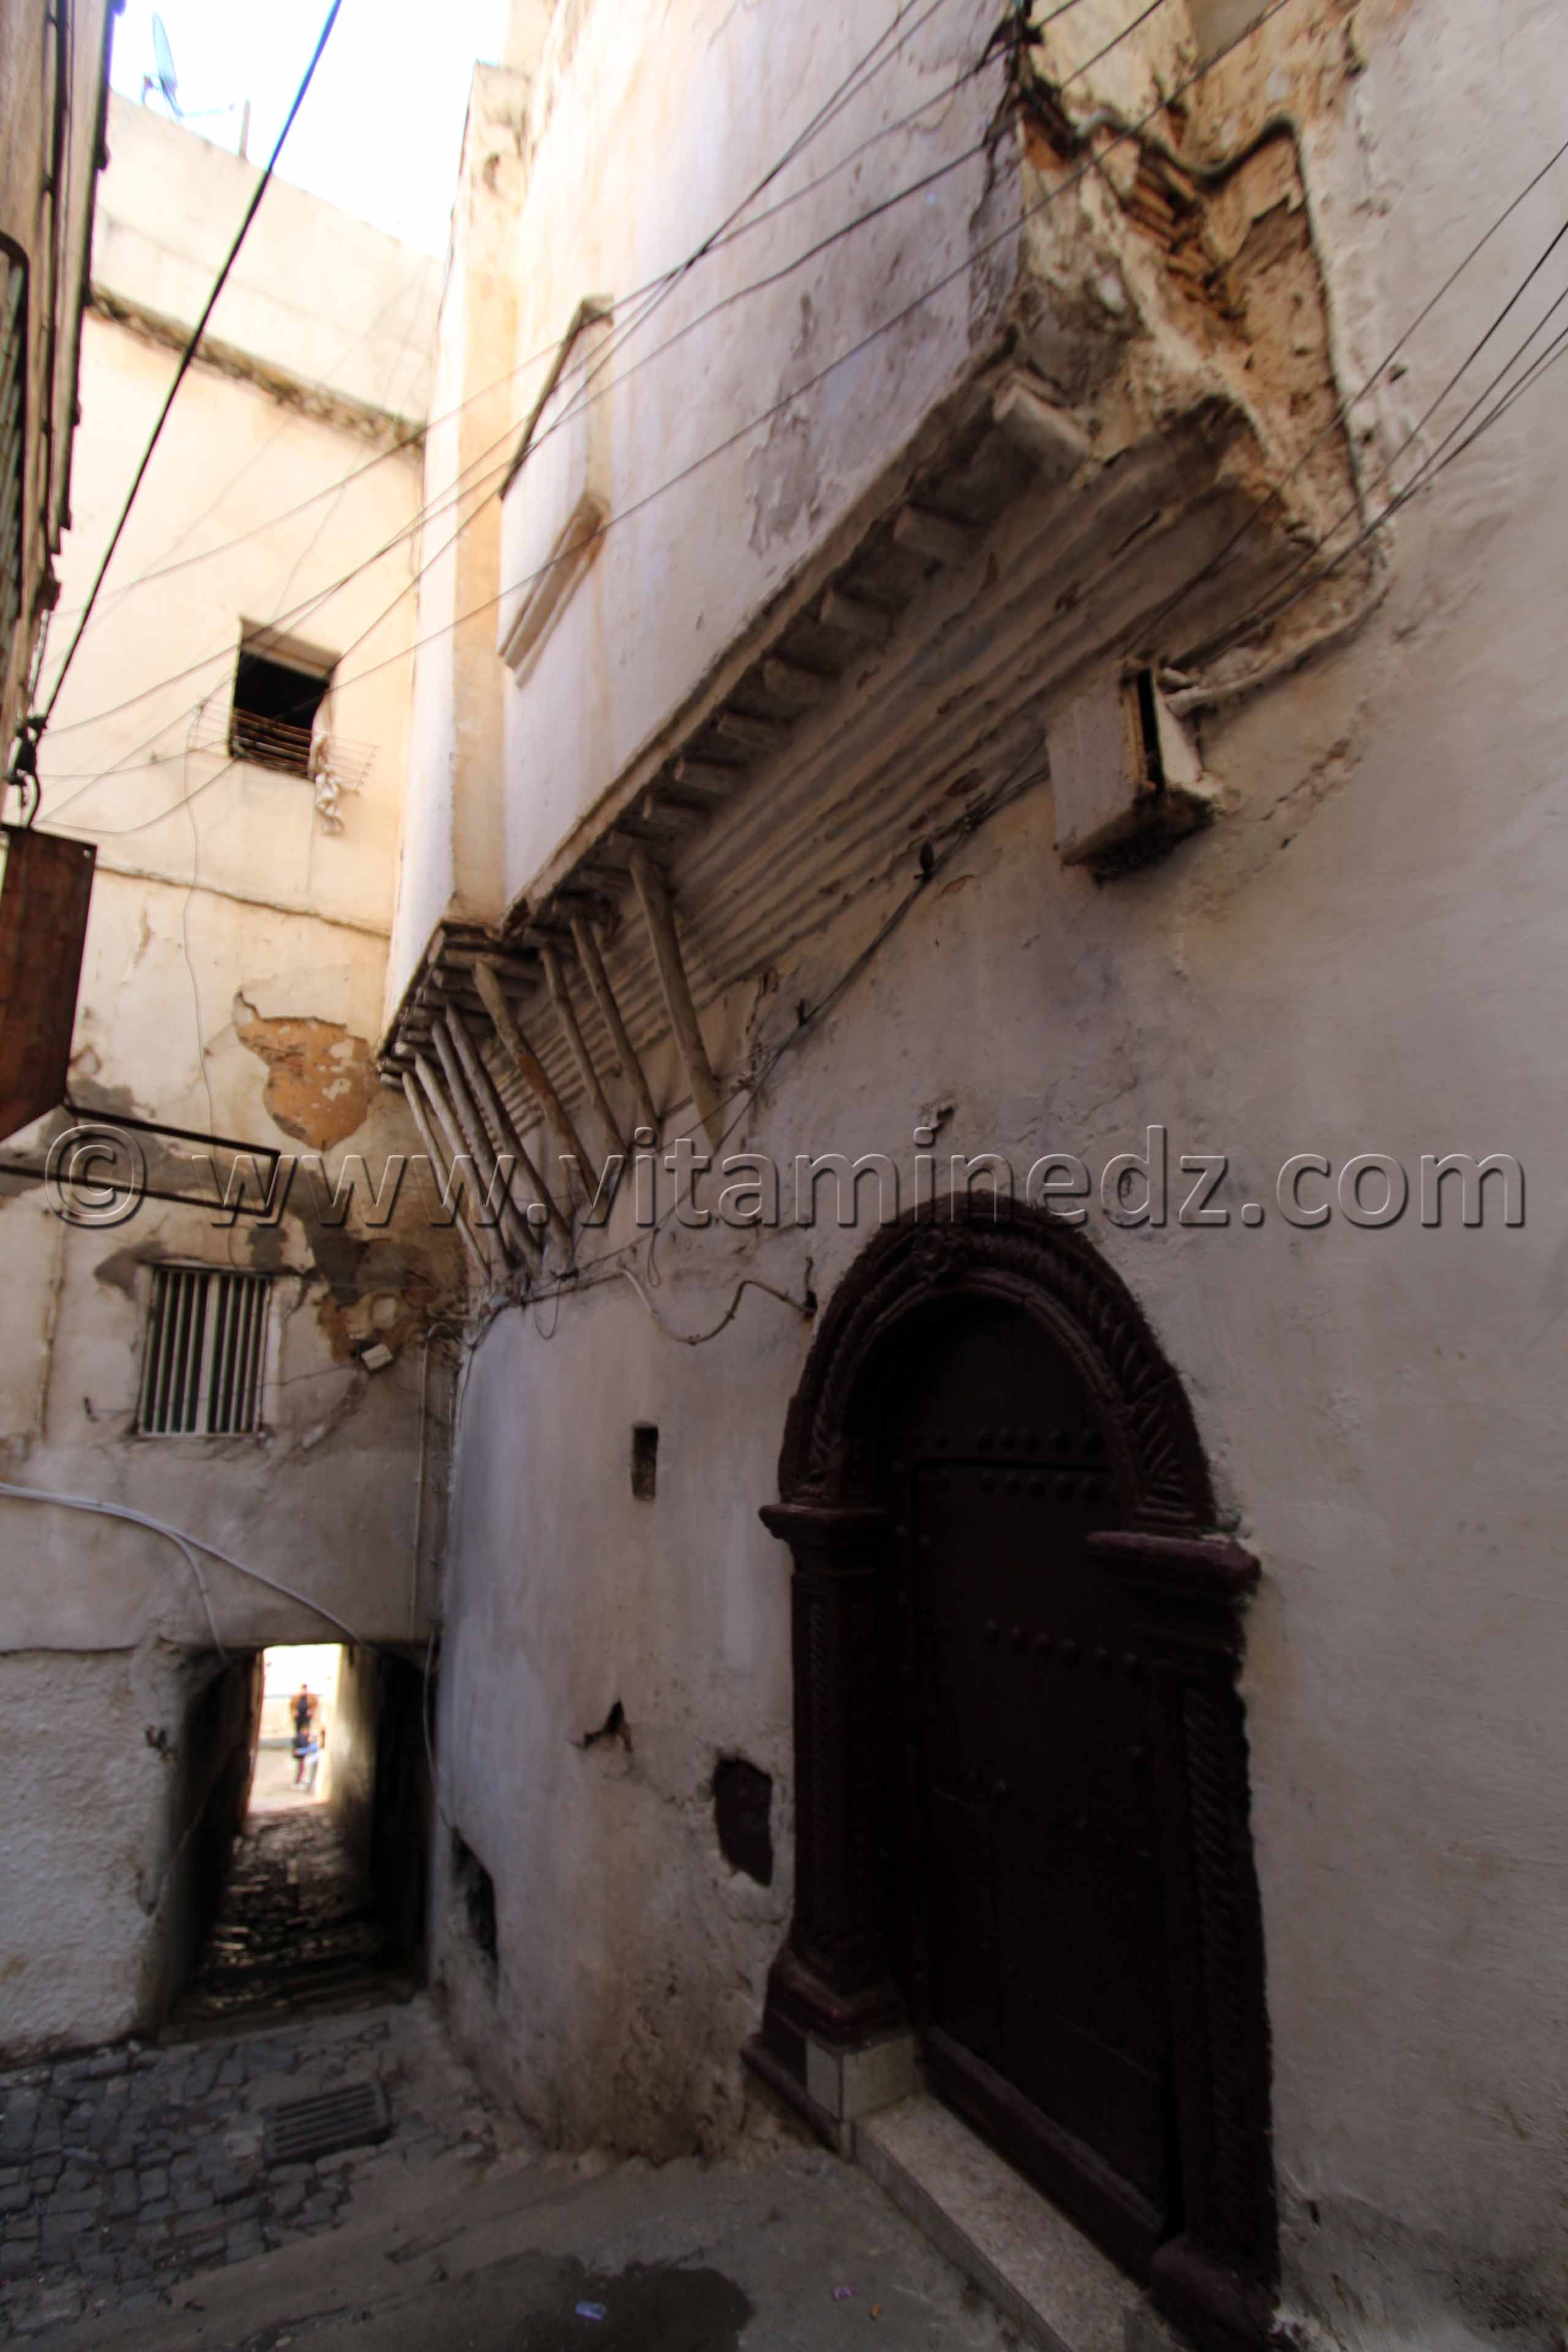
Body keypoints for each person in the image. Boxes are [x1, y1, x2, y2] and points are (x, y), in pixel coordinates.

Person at [292, 1686, 315, 1785]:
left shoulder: (310, 1698)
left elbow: (314, 1705)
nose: (303, 1691)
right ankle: (300, 1780)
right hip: (300, 1723)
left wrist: (311, 1712)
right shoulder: (297, 1698)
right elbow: (292, 1706)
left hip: (305, 1721)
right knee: (302, 1761)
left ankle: (301, 1780)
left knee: (304, 1761)